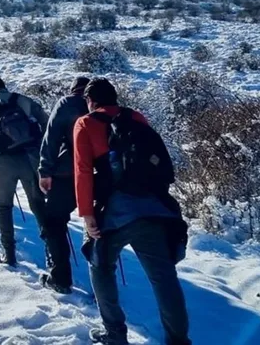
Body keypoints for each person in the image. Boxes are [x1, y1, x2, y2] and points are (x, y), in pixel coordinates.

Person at [73, 78, 191, 345]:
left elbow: (83, 171)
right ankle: (179, 340)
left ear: (91, 101)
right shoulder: (136, 117)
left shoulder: (86, 123)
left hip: (115, 212)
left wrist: (87, 214)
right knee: (163, 278)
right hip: (154, 208)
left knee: (100, 266)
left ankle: (114, 334)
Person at [0, 76, 49, 266]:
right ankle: (52, 251)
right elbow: (47, 123)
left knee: (4, 207)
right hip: (30, 159)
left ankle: (9, 253)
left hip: (4, 162)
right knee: (38, 205)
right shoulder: (23, 100)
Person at [37, 76, 90, 294]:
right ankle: (103, 284)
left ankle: (60, 278)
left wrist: (45, 171)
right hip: (99, 174)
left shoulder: (67, 103)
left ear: (73, 89)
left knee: (54, 223)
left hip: (68, 173)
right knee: (97, 226)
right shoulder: (105, 105)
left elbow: (51, 138)